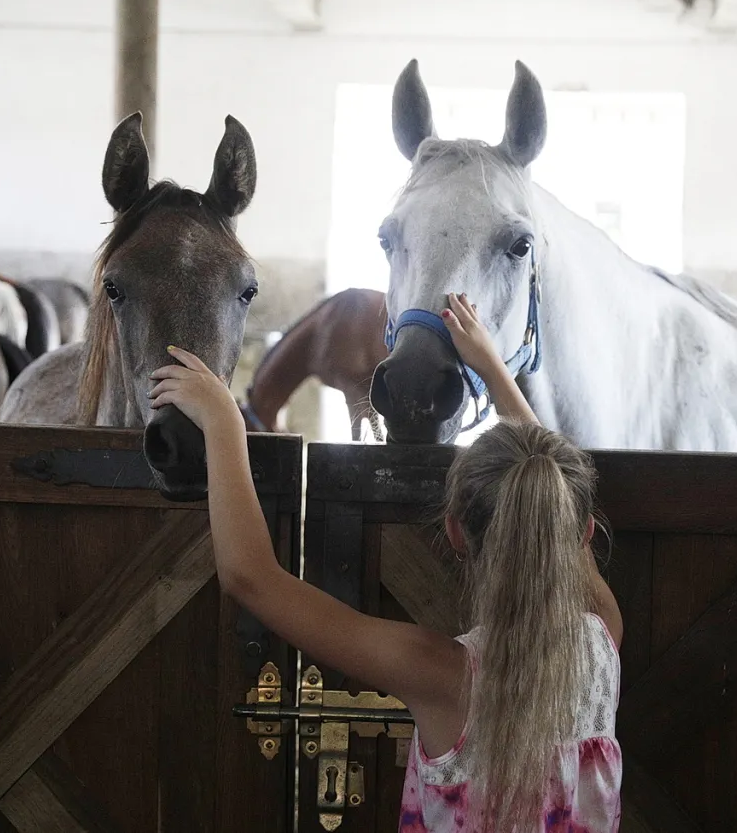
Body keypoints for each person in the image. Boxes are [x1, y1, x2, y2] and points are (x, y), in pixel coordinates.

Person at [148, 293, 624, 832]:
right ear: (585, 531)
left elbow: (251, 578)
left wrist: (225, 423)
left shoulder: (442, 673)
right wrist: (494, 369)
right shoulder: (603, 638)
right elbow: (553, 498)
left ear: (454, 534)